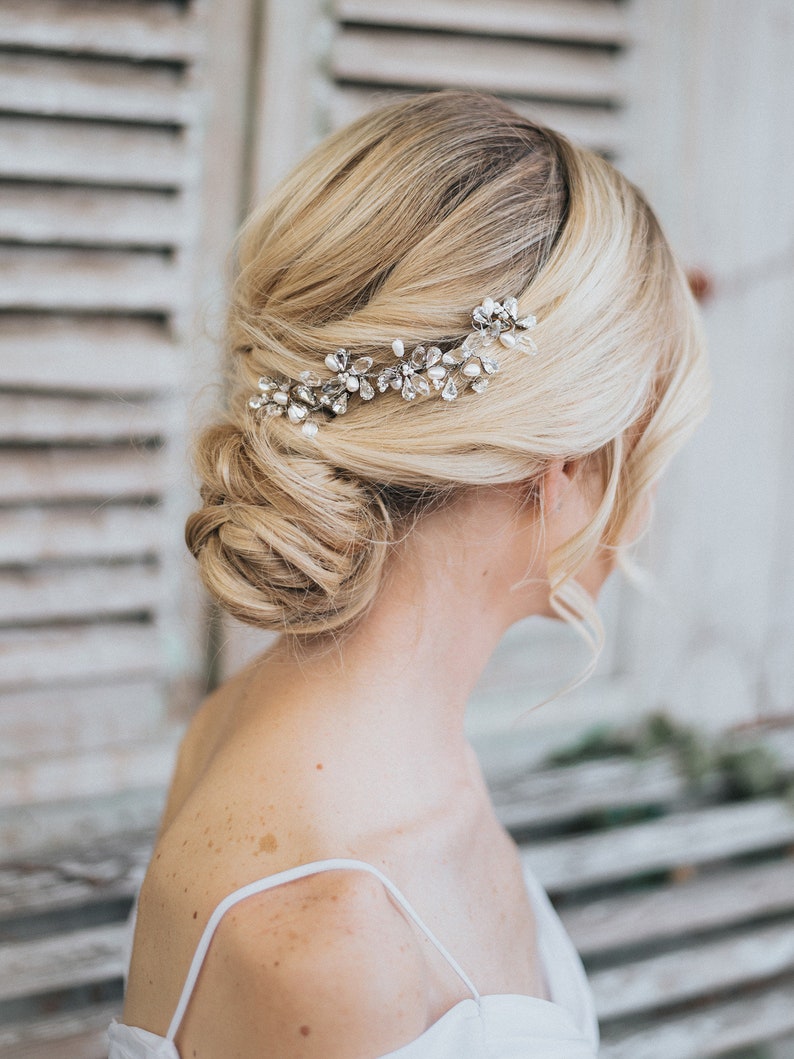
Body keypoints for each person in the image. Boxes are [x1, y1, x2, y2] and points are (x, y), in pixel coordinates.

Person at [109, 91, 708, 1058]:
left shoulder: (343, 739)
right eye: (647, 449)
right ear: (561, 472)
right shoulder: (329, 943)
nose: (645, 508)